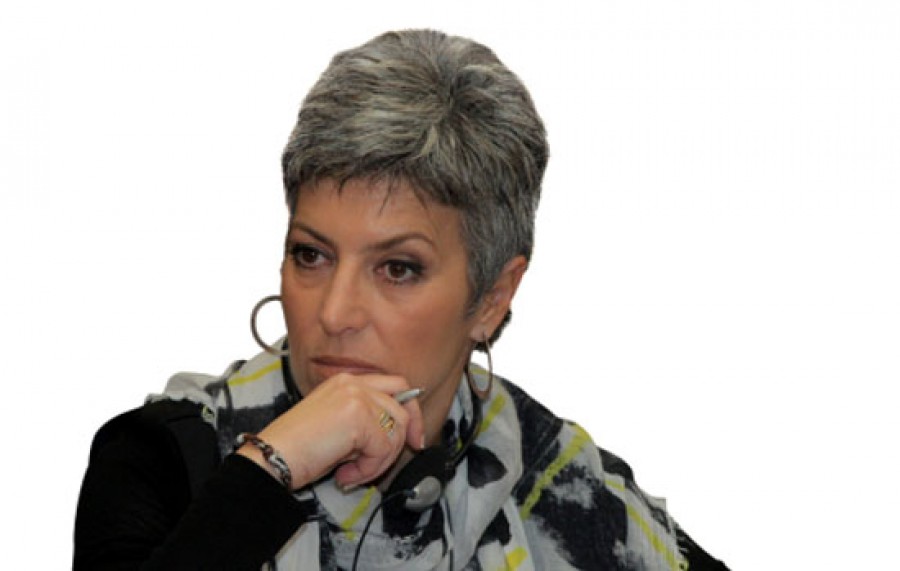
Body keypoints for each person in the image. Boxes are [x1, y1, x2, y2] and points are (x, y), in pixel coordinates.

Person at [74, 29, 729, 570]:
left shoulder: (560, 485)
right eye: (312, 255)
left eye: (397, 268)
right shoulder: (165, 458)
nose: (334, 313)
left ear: (492, 296)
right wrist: (271, 466)